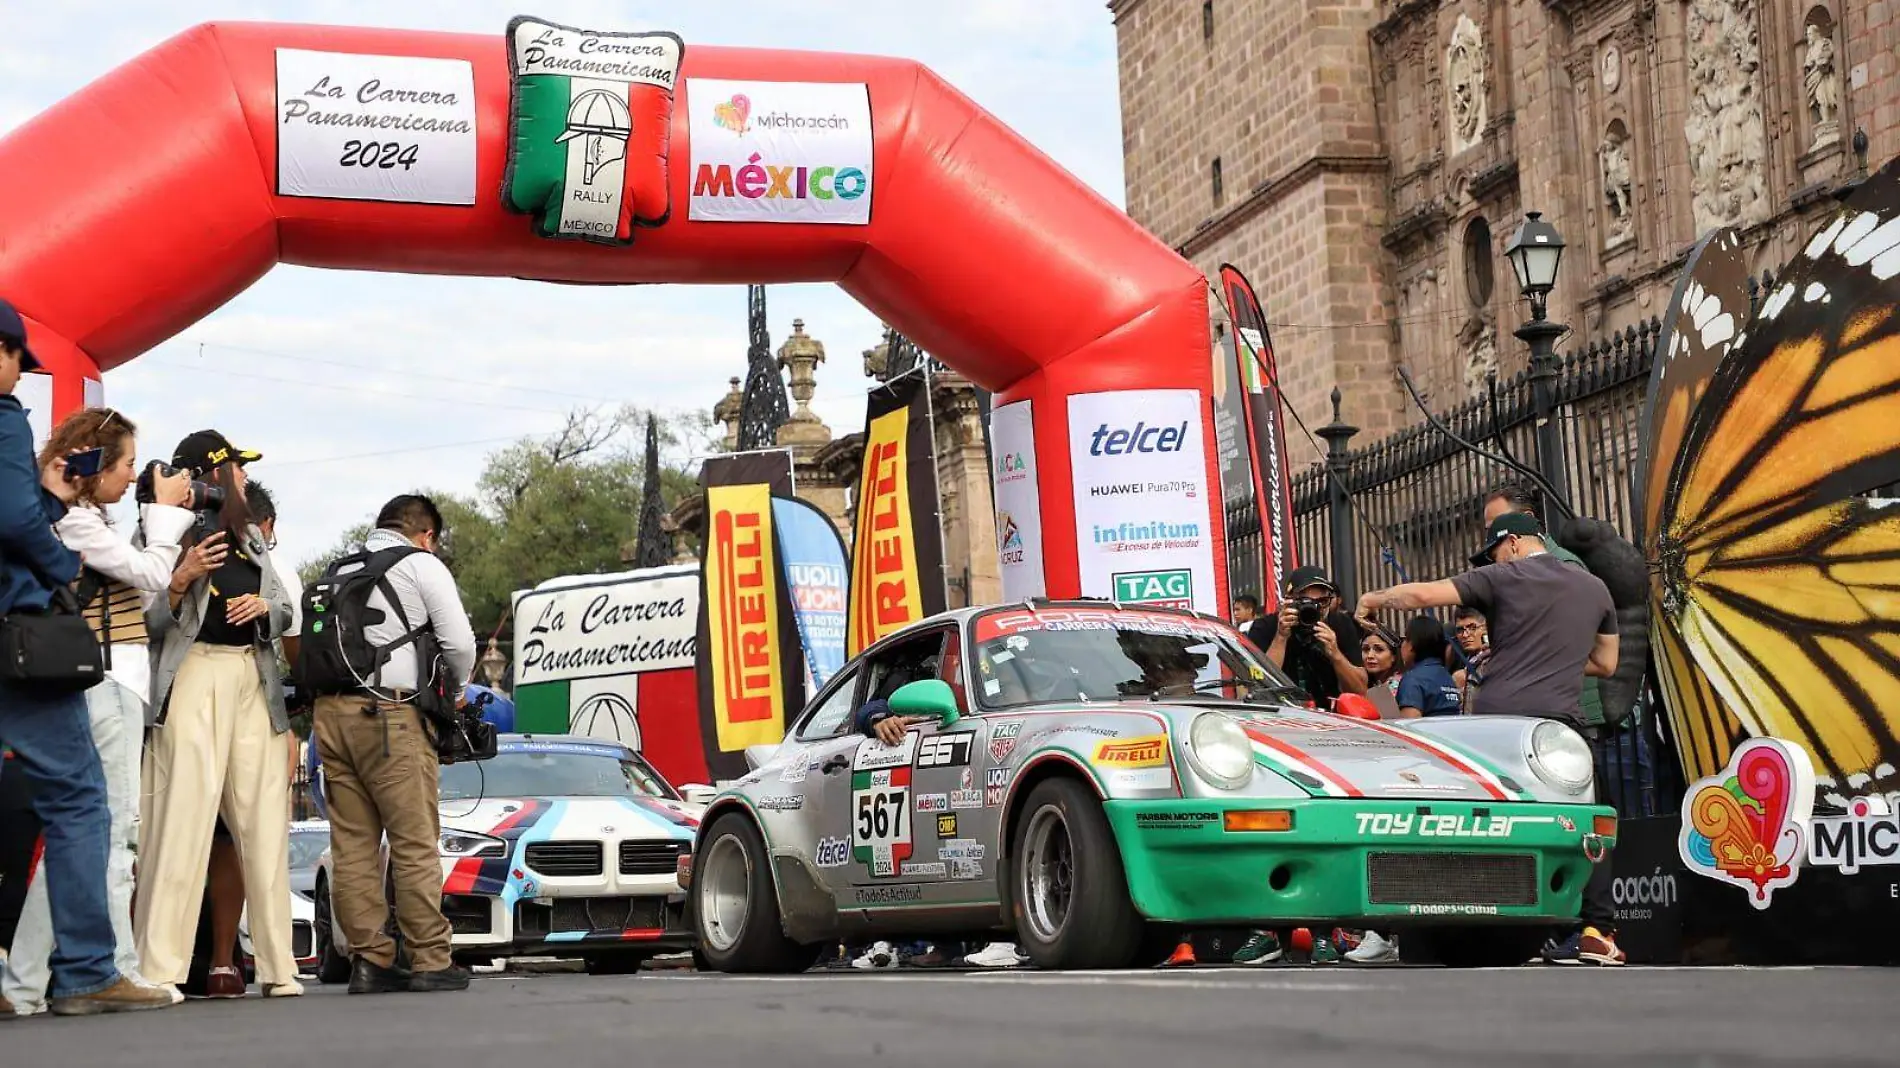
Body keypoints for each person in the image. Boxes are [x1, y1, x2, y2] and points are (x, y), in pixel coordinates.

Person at [0, 302, 172, 1016]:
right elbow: (12, 524)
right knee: (78, 799)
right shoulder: (3, 415)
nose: (17, 378)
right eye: (18, 361)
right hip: (18, 640)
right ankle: (86, 971)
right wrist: (59, 562)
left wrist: (46, 496)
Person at [1353, 511, 1623, 966]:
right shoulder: (1594, 587)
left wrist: (1373, 597)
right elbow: (1607, 663)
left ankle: (1489, 918)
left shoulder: (1504, 576)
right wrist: (1553, 660)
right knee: (1584, 827)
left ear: (1514, 543)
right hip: (1560, 728)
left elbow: (1422, 594)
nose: (1493, 559)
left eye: (1495, 550)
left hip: (1498, 727)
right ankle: (1596, 930)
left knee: (1493, 823)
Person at [136, 430, 303, 1000]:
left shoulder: (249, 533)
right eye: (238, 468)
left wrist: (265, 609)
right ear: (212, 472)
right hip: (192, 675)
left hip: (252, 678)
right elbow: (144, 623)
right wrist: (180, 581)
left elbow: (285, 608)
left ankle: (281, 968)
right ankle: (159, 968)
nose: (245, 478)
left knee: (264, 823)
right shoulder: (161, 527)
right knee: (181, 820)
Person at [311, 494, 476, 995]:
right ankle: (429, 957)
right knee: (413, 842)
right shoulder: (420, 565)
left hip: (330, 718)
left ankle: (371, 961)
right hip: (389, 716)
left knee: (354, 846)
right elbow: (461, 644)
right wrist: (459, 691)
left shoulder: (340, 568)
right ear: (426, 535)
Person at [194, 480, 292, 998]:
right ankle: (217, 959)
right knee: (211, 840)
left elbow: (287, 618)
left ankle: (218, 960)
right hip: (223, 701)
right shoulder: (245, 556)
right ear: (265, 525)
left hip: (237, 704)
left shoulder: (256, 562)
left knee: (214, 840)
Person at [1260, 566, 1367, 706]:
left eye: (1322, 602)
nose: (1315, 608)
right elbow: (1259, 686)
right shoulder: (1266, 626)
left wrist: (1336, 655)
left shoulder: (1340, 623)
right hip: (1281, 714)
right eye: (1305, 602)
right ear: (1288, 600)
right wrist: (1280, 638)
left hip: (1330, 716)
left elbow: (1360, 691)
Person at [1395, 616, 1461, 719]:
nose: (1402, 645)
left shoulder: (1413, 679)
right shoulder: (1447, 677)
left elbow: (1409, 725)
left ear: (1412, 644)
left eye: (1405, 639)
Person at [1358, 624, 1402, 718]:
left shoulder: (1397, 684)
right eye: (1365, 649)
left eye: (1379, 650)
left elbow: (1389, 722)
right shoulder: (1369, 682)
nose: (1370, 656)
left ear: (1393, 656)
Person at [1451, 606, 1488, 702]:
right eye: (1460, 630)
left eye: (1472, 628)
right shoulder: (1468, 662)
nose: (1465, 635)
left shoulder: (1494, 661)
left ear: (1485, 628)